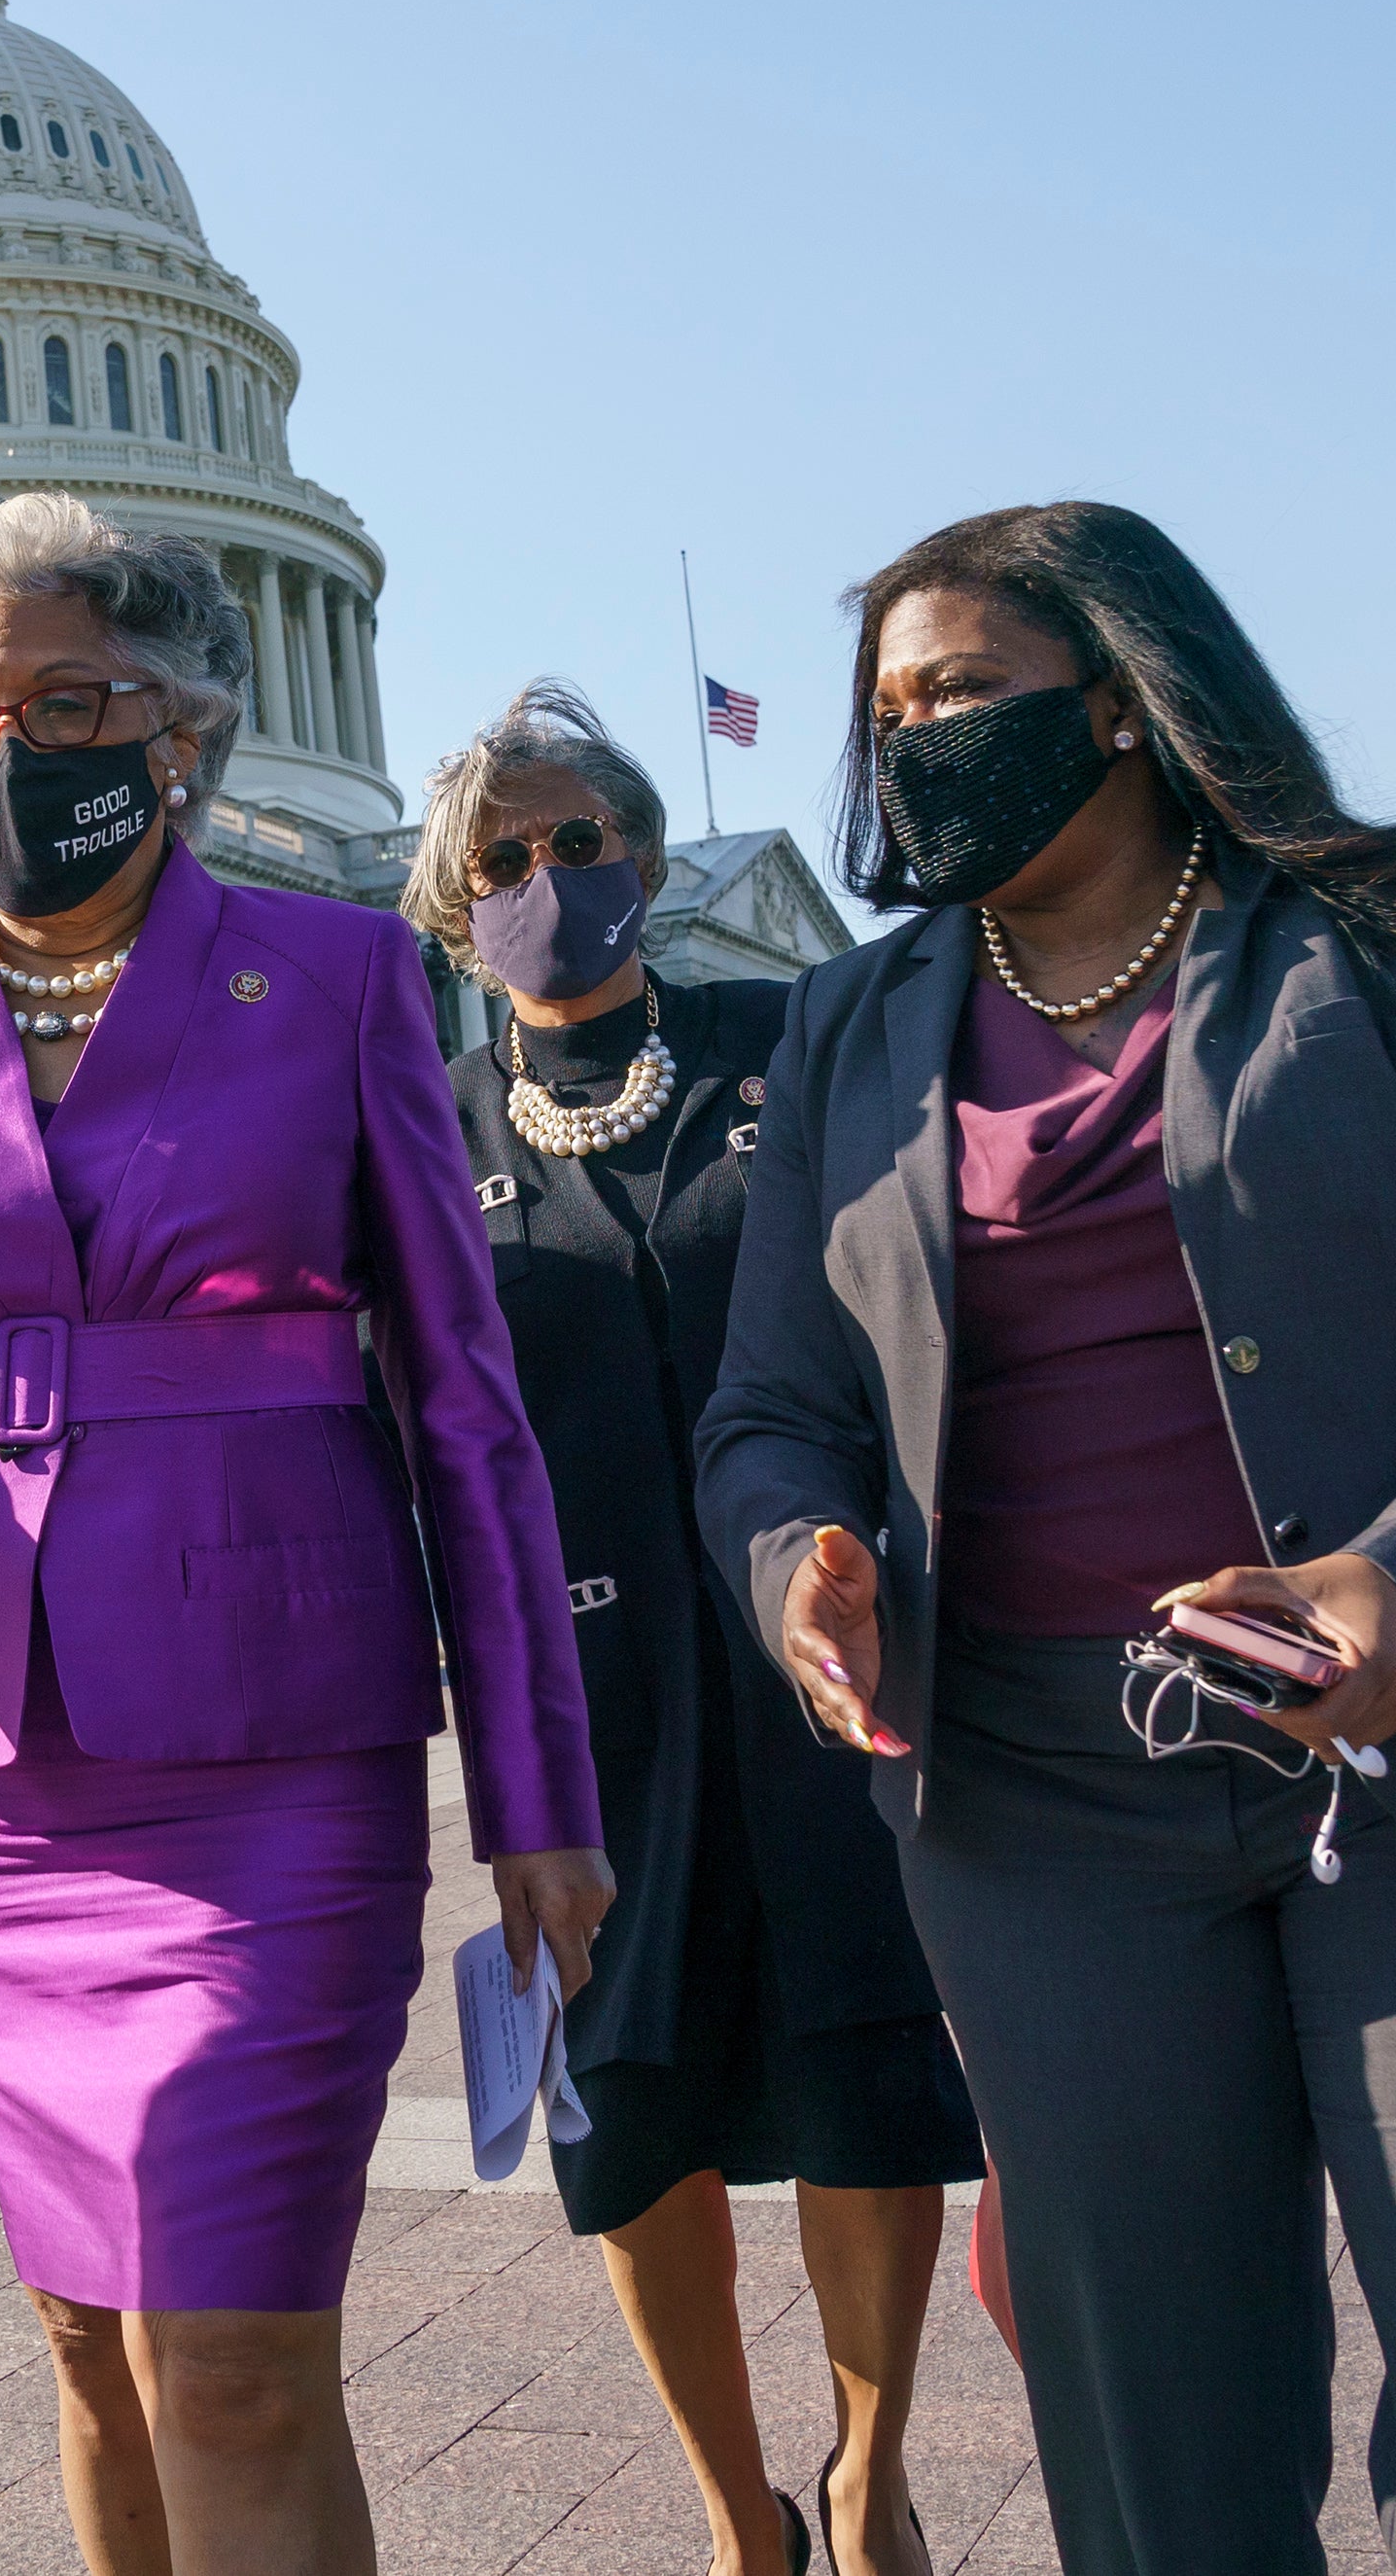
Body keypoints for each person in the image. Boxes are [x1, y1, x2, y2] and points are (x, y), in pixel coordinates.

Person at [694, 501, 1396, 2576]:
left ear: (1127, 702)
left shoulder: (1395, 940)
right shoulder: (848, 1024)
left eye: (959, 694)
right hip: (1043, 1816)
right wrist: (799, 1553)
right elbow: (772, 1409)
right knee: (1161, 2474)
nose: (908, 745)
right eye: (881, 712)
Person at [0, 493, 611, 2576]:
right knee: (89, 2343)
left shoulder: (338, 974)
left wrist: (538, 1790)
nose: (15, 750)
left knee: (239, 2355)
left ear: (182, 724)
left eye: (71, 698)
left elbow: (465, 1407)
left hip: (277, 1759)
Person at [412, 684, 977, 2576]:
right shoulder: (416, 1123)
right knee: (632, 2109)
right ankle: (740, 2510)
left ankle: (865, 2466)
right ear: (447, 899)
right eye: (503, 858)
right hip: (588, 1703)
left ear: (645, 858)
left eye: (578, 842)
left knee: (862, 2072)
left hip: (813, 1646)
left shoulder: (784, 1039)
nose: (546, 880)